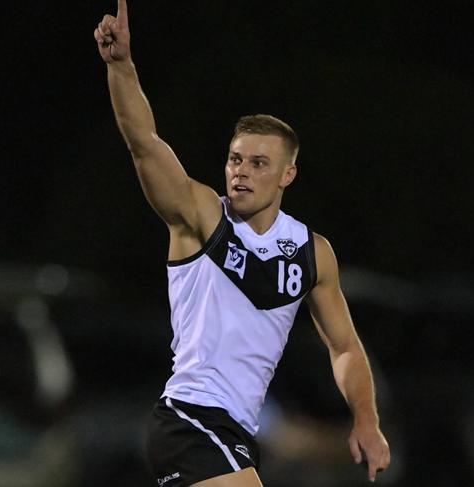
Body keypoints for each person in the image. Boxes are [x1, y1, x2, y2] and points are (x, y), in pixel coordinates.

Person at [94, 1, 390, 486]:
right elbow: (144, 142)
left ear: (287, 175)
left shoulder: (311, 251)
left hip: (236, 431)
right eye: (236, 159)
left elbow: (344, 348)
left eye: (258, 163)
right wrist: (121, 68)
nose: (241, 171)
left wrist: (366, 419)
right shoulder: (201, 216)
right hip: (189, 420)